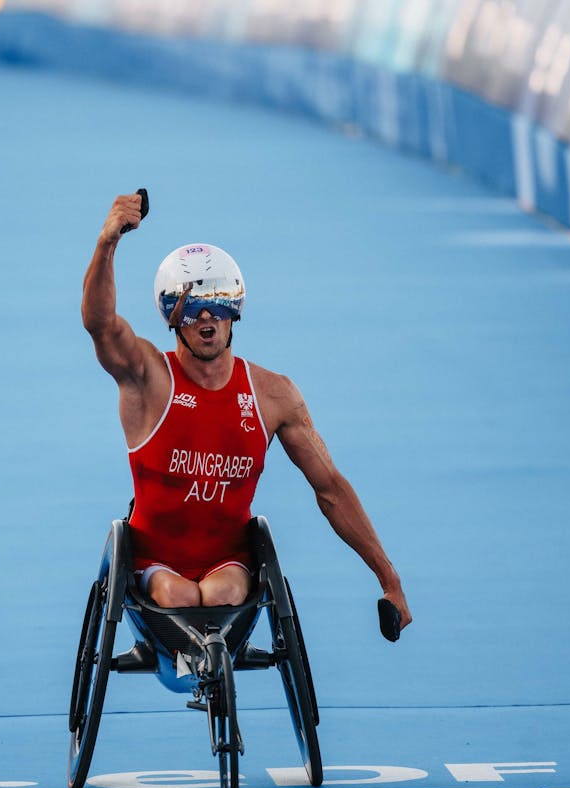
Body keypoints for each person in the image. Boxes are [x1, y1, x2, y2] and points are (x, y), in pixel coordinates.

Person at [81, 191, 411, 635]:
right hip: (154, 566)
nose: (206, 316)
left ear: (235, 308)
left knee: (218, 595)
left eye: (218, 300)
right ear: (170, 314)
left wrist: (388, 580)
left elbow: (330, 488)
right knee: (179, 595)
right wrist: (107, 244)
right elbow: (100, 325)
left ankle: (213, 671)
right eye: (191, 303)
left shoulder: (274, 396)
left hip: (227, 565)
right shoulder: (147, 377)